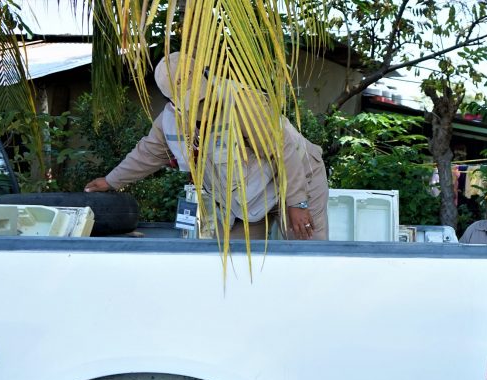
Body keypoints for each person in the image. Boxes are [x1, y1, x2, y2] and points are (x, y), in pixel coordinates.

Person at [84, 52, 328, 241]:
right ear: (171, 101)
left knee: (307, 252)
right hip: (248, 199)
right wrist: (111, 180)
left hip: (297, 179)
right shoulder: (169, 121)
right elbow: (148, 152)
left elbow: (284, 150)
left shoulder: (241, 103)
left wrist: (297, 203)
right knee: (232, 262)